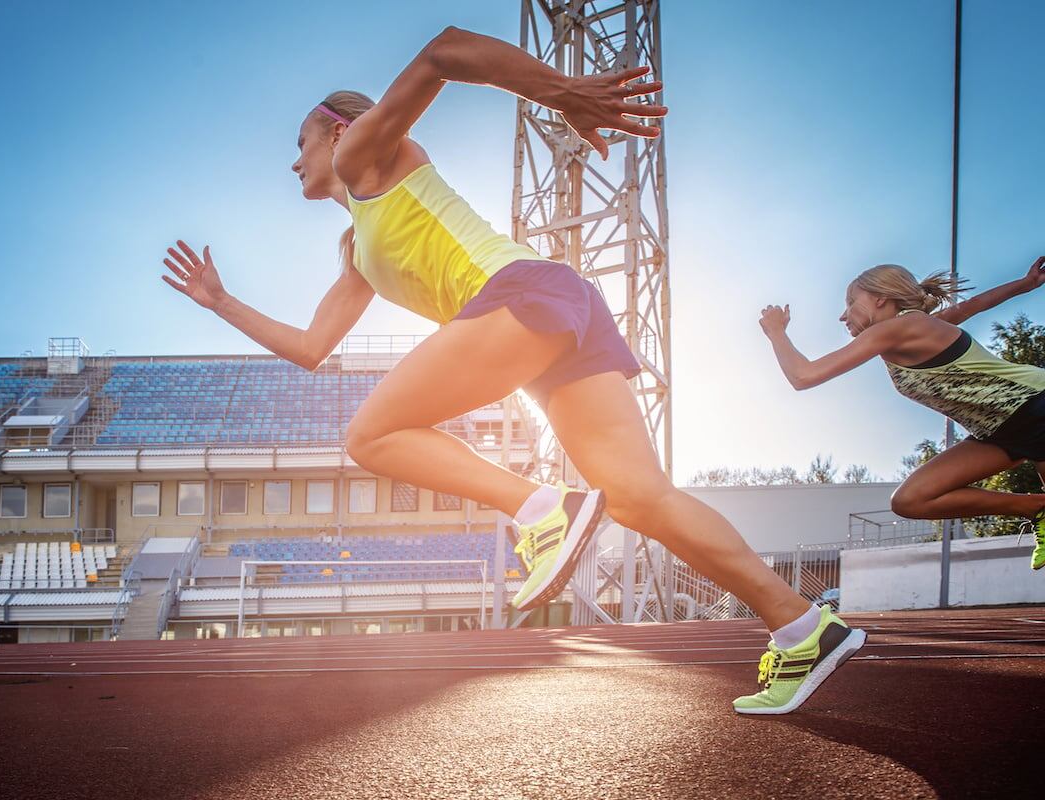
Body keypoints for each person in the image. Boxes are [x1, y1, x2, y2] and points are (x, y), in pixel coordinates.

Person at [161, 26, 863, 714]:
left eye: (300, 144)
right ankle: (802, 625)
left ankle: (541, 508)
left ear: (339, 129)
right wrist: (220, 301)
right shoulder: (358, 245)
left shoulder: (363, 158)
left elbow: (444, 49)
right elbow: (314, 347)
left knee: (371, 436)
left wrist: (561, 92)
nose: (294, 163)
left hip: (523, 299)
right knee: (641, 498)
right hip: (558, 314)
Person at [759, 257, 1045, 571]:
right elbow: (975, 305)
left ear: (879, 298)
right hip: (1001, 432)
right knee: (910, 500)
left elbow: (804, 376)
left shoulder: (901, 327)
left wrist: (776, 332)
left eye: (851, 302)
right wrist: (1026, 284)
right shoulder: (913, 327)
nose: (843, 315)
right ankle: (1036, 507)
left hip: (1035, 406)